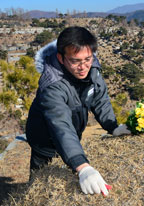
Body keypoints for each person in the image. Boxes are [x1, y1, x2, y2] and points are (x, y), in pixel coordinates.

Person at [26, 26, 131, 196]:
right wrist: (82, 166)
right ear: (61, 58)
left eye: (87, 59)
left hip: (72, 134)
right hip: (44, 139)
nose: (83, 67)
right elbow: (60, 126)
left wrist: (113, 126)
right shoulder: (52, 86)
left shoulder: (93, 68)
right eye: (75, 61)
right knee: (41, 183)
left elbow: (100, 99)